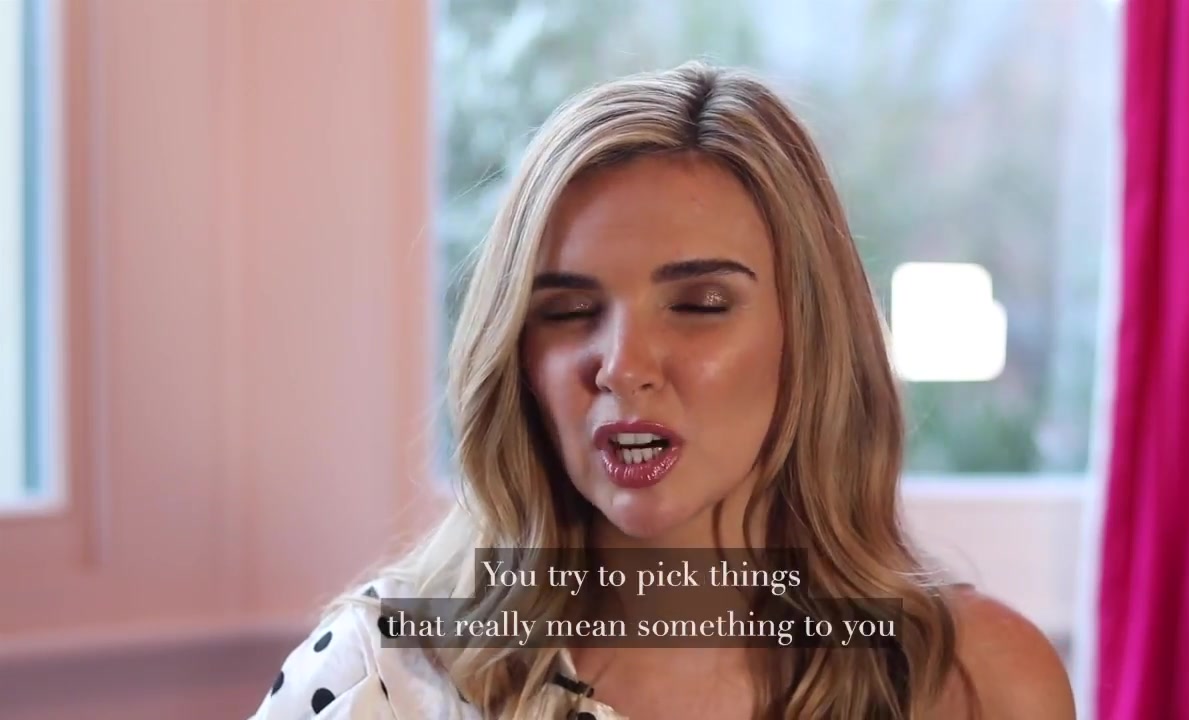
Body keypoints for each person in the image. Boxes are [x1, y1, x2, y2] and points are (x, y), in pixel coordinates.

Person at [246, 61, 1075, 720]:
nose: (622, 364)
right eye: (569, 311)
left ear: (808, 336)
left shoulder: (980, 684)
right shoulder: (379, 674)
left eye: (700, 305)